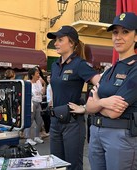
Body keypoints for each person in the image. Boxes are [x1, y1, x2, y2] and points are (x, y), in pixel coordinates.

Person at [68, 12, 137, 170]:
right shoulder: (109, 70)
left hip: (120, 137)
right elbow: (89, 106)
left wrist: (97, 103)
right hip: (97, 134)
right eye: (115, 32)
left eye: (125, 32)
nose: (118, 37)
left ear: (136, 37)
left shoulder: (134, 68)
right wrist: (104, 102)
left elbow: (114, 112)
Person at [47, 25, 101, 170]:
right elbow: (55, 87)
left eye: (60, 40)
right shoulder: (55, 65)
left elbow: (102, 85)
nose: (56, 43)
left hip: (72, 123)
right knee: (56, 165)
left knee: (73, 166)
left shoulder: (80, 64)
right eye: (55, 40)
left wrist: (85, 108)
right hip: (55, 121)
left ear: (71, 43)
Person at [24, 67, 45, 145]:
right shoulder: (27, 83)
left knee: (39, 121)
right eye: (37, 73)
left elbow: (42, 92)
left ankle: (37, 136)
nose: (38, 75)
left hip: (38, 102)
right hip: (31, 103)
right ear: (32, 75)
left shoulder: (39, 82)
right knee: (29, 121)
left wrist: (44, 84)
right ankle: (28, 138)